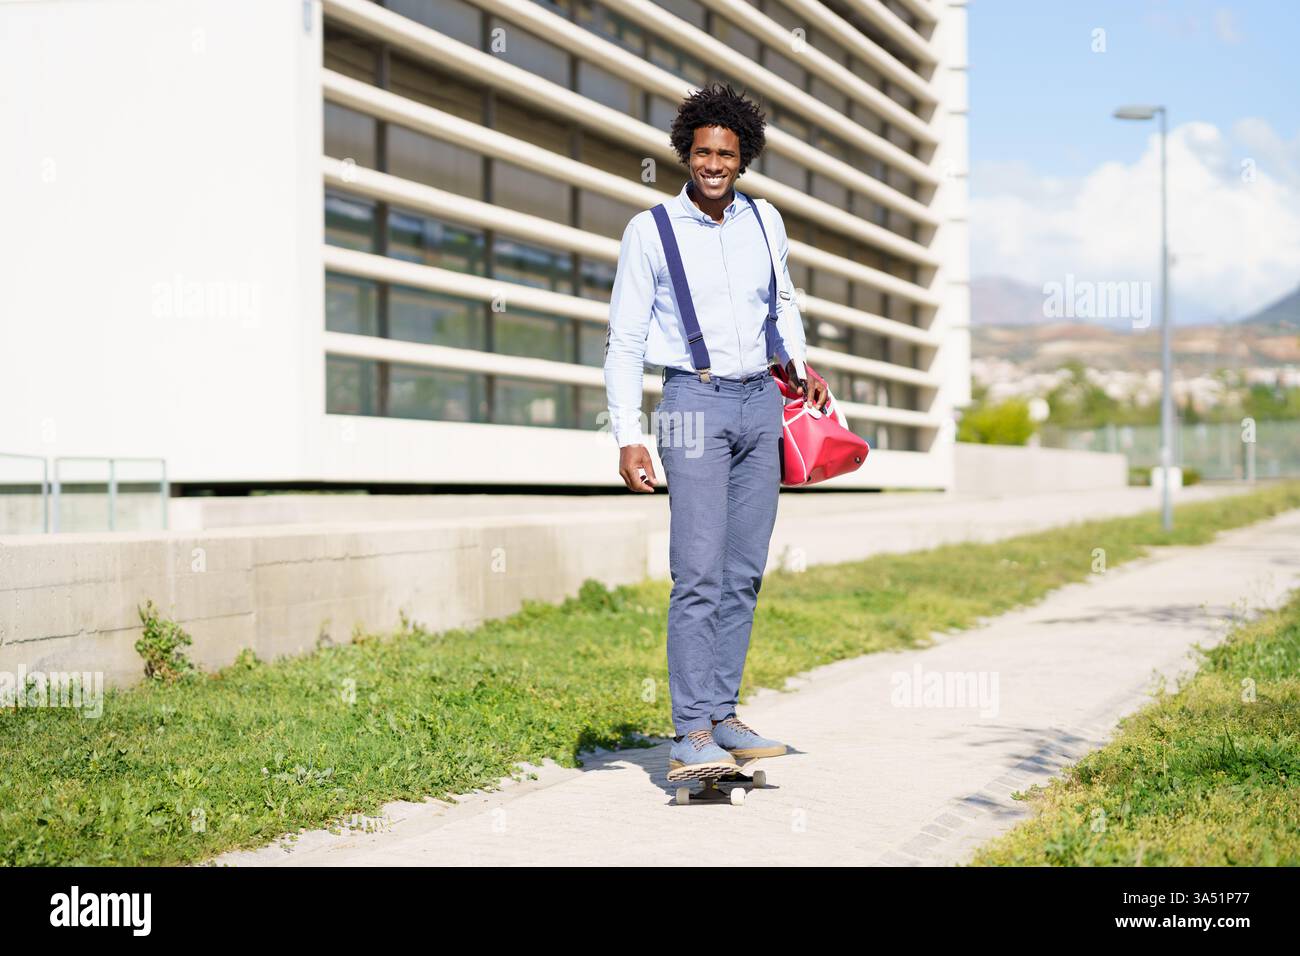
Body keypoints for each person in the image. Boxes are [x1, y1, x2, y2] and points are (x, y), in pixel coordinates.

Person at [603, 83, 828, 781]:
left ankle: (723, 715)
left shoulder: (766, 221)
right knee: (697, 573)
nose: (713, 164)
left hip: (763, 402)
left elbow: (782, 303)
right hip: (690, 404)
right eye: (702, 152)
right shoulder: (650, 231)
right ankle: (689, 732)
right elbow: (624, 340)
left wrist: (799, 364)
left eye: (726, 153)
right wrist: (627, 434)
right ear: (685, 153)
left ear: (743, 157)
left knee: (742, 573)